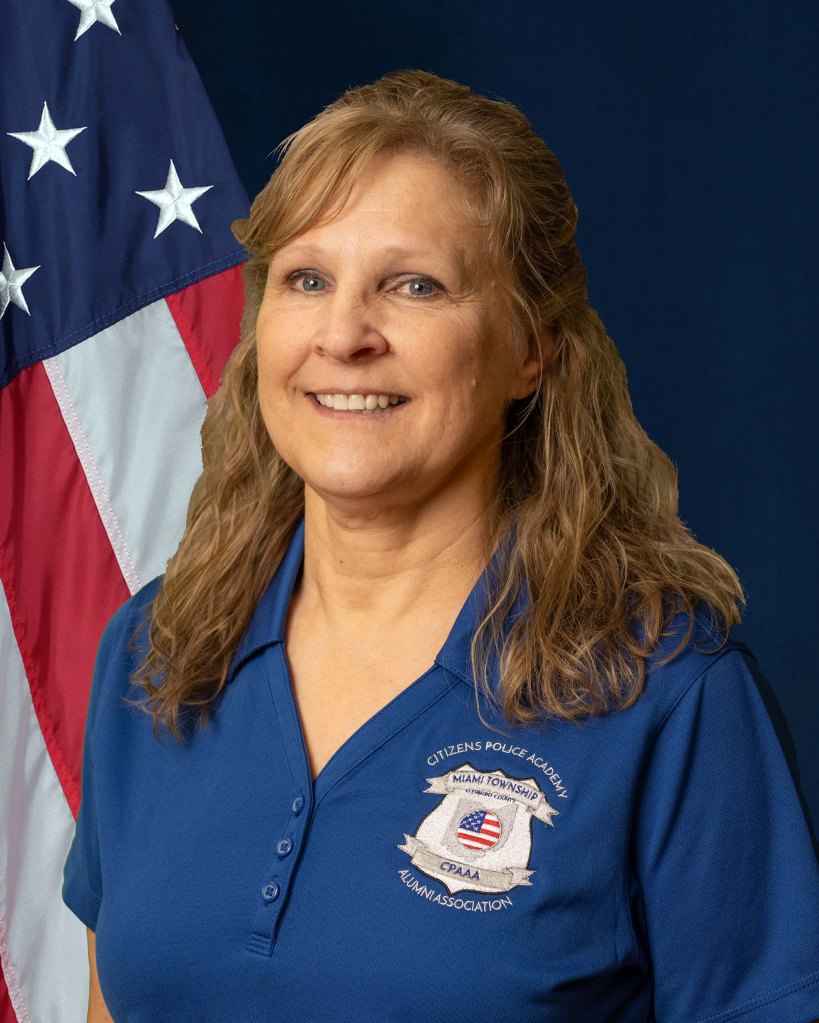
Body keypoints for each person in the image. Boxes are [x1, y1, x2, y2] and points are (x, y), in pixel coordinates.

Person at [63, 70, 819, 1023]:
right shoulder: (158, 651)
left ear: (529, 348)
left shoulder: (665, 695)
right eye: (307, 279)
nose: (344, 334)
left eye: (413, 285)